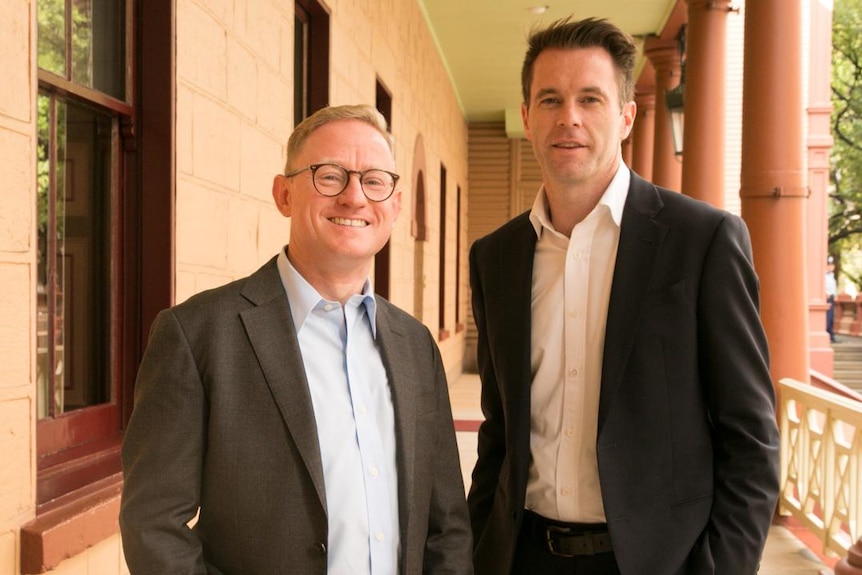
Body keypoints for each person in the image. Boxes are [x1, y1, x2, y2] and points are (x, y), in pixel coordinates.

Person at [467, 17, 780, 575]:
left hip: (658, 563)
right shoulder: (495, 257)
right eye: (550, 99)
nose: (569, 118)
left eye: (591, 98)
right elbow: (499, 433)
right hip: (522, 557)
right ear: (526, 116)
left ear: (626, 116)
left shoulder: (702, 242)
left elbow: (751, 439)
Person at [120, 104, 473, 575]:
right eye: (329, 176)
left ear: (396, 205)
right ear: (283, 194)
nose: (354, 197)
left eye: (374, 180)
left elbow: (447, 523)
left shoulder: (415, 344)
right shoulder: (198, 334)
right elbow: (152, 524)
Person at [826, 256, 837, 342]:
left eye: (832, 265)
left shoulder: (832, 276)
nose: (831, 267)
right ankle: (828, 335)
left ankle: (831, 335)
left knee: (831, 317)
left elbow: (833, 287)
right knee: (828, 317)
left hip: (832, 298)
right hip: (827, 298)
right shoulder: (824, 275)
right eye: (829, 265)